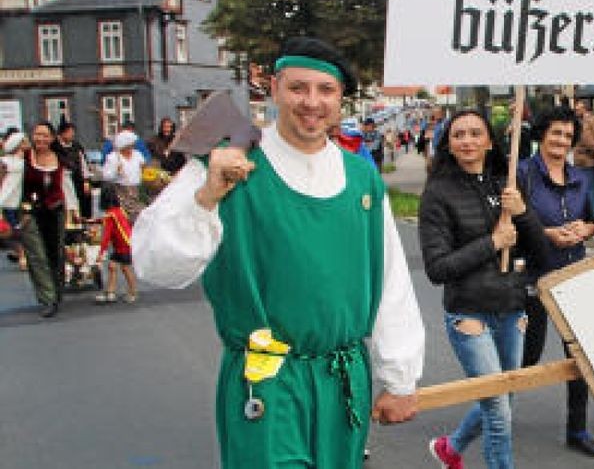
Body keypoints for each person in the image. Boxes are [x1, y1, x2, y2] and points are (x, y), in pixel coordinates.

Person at [133, 37, 425, 467]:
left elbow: (390, 282)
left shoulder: (362, 179)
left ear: (341, 98)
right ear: (274, 89)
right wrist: (207, 197)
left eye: (325, 90)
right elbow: (156, 263)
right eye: (298, 88)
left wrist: (399, 377)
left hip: (342, 378)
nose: (311, 102)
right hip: (265, 380)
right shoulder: (227, 163)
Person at [420, 109, 547, 469]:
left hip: (512, 309)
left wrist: (522, 212)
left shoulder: (505, 184)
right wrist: (492, 243)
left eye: (476, 133)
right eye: (459, 135)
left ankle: (450, 448)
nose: (468, 141)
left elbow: (540, 252)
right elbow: (437, 268)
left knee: (503, 398)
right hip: (469, 314)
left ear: (490, 141)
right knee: (499, 413)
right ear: (448, 143)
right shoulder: (438, 194)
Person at [516, 107, 594, 459]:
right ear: (541, 134)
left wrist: (585, 229)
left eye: (568, 136)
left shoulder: (581, 176)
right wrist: (546, 234)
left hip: (574, 275)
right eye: (555, 133)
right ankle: (494, 415)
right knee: (528, 354)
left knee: (579, 355)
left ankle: (577, 429)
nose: (561, 141)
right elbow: (513, 225)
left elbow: (592, 220)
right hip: (535, 275)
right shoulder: (522, 173)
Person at [20, 121, 81, 318]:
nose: (40, 138)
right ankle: (47, 298)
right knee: (37, 256)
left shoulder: (59, 161)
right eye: (37, 134)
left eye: (45, 135)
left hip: (55, 211)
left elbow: (68, 189)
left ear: (52, 138)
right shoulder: (24, 158)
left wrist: (74, 212)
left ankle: (56, 290)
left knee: (55, 253)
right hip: (30, 213)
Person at [94, 183, 137, 304]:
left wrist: (101, 253)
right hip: (125, 243)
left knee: (125, 268)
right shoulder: (119, 211)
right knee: (112, 266)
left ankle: (133, 292)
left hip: (123, 246)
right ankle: (110, 292)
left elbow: (106, 237)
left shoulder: (110, 215)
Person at [102, 129, 147, 223]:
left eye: (132, 144)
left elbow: (143, 168)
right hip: (121, 191)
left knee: (142, 212)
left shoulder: (137, 154)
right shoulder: (113, 157)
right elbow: (106, 176)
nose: (132, 147)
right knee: (128, 216)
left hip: (137, 189)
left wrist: (144, 169)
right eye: (129, 145)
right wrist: (116, 172)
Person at [53, 121, 93, 219]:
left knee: (85, 200)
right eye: (69, 132)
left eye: (73, 132)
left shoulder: (76, 146)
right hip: (63, 180)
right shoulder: (55, 147)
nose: (72, 134)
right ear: (62, 133)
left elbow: (83, 163)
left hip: (78, 178)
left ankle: (85, 221)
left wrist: (86, 180)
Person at [2, 131, 28, 270]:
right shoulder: (5, 161)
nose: (27, 143)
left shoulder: (27, 161)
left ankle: (23, 255)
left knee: (21, 230)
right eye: (24, 142)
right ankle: (21, 255)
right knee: (12, 231)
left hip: (22, 200)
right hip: (7, 200)